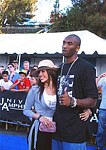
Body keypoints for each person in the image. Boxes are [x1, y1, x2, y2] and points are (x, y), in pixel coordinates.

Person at [52, 34, 98, 150]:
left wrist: (72, 101)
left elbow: (92, 100)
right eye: (63, 43)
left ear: (77, 48)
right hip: (57, 128)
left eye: (69, 43)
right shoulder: (59, 68)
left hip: (75, 130)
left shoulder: (86, 68)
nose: (64, 46)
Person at [23, 59, 57, 150]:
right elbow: (26, 110)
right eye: (39, 72)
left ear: (51, 72)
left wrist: (88, 109)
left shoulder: (60, 90)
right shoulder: (35, 90)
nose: (40, 74)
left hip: (57, 131)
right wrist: (39, 117)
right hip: (39, 130)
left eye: (43, 71)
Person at [96, 73, 106, 150]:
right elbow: (94, 86)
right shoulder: (104, 79)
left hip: (103, 107)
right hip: (103, 107)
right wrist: (99, 77)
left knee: (101, 129)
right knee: (101, 129)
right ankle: (99, 146)